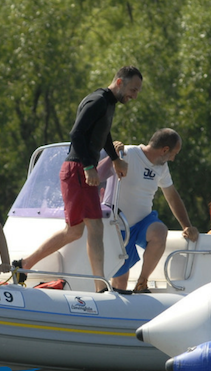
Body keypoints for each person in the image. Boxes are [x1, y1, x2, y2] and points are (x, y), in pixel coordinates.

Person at [16, 66, 143, 292]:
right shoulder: (98, 101)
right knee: (94, 228)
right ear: (120, 82)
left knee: (74, 231)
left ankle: (25, 264)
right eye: (133, 90)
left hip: (78, 169)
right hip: (77, 169)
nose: (134, 96)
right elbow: (76, 133)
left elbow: (102, 134)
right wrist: (88, 167)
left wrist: (114, 158)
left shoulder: (108, 103)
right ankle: (100, 287)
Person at [99, 128, 199, 293]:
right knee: (121, 280)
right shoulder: (127, 153)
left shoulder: (162, 167)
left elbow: (172, 196)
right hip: (118, 226)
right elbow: (97, 174)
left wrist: (187, 225)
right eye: (174, 153)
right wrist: (112, 156)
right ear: (164, 150)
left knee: (160, 231)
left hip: (143, 223)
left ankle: (142, 283)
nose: (173, 159)